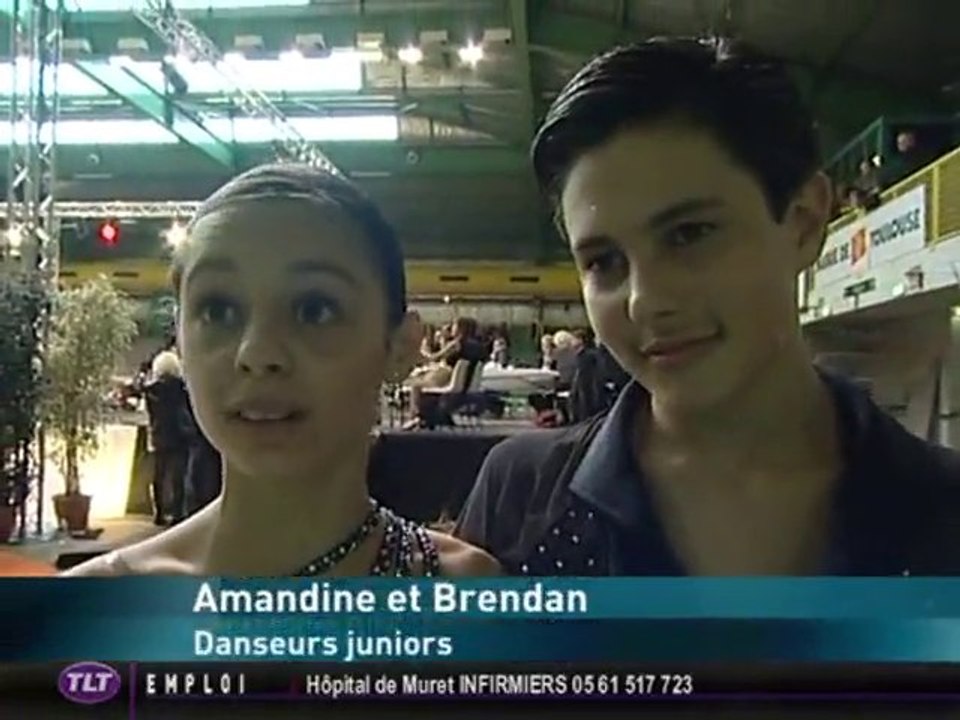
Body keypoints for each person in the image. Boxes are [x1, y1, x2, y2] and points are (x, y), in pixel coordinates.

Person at [455, 38, 960, 576]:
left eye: (689, 234)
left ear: (804, 222)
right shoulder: (520, 498)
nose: (645, 299)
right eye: (604, 261)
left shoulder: (942, 508)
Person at [65, 163, 499, 578]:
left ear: (400, 348)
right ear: (179, 338)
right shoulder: (78, 621)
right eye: (218, 310)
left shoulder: (461, 592)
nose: (257, 353)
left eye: (314, 309)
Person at [143, 350, 192, 525]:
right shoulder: (181, 388)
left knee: (159, 475)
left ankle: (159, 513)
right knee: (178, 475)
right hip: (179, 434)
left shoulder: (150, 390)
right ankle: (178, 513)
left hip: (159, 434)